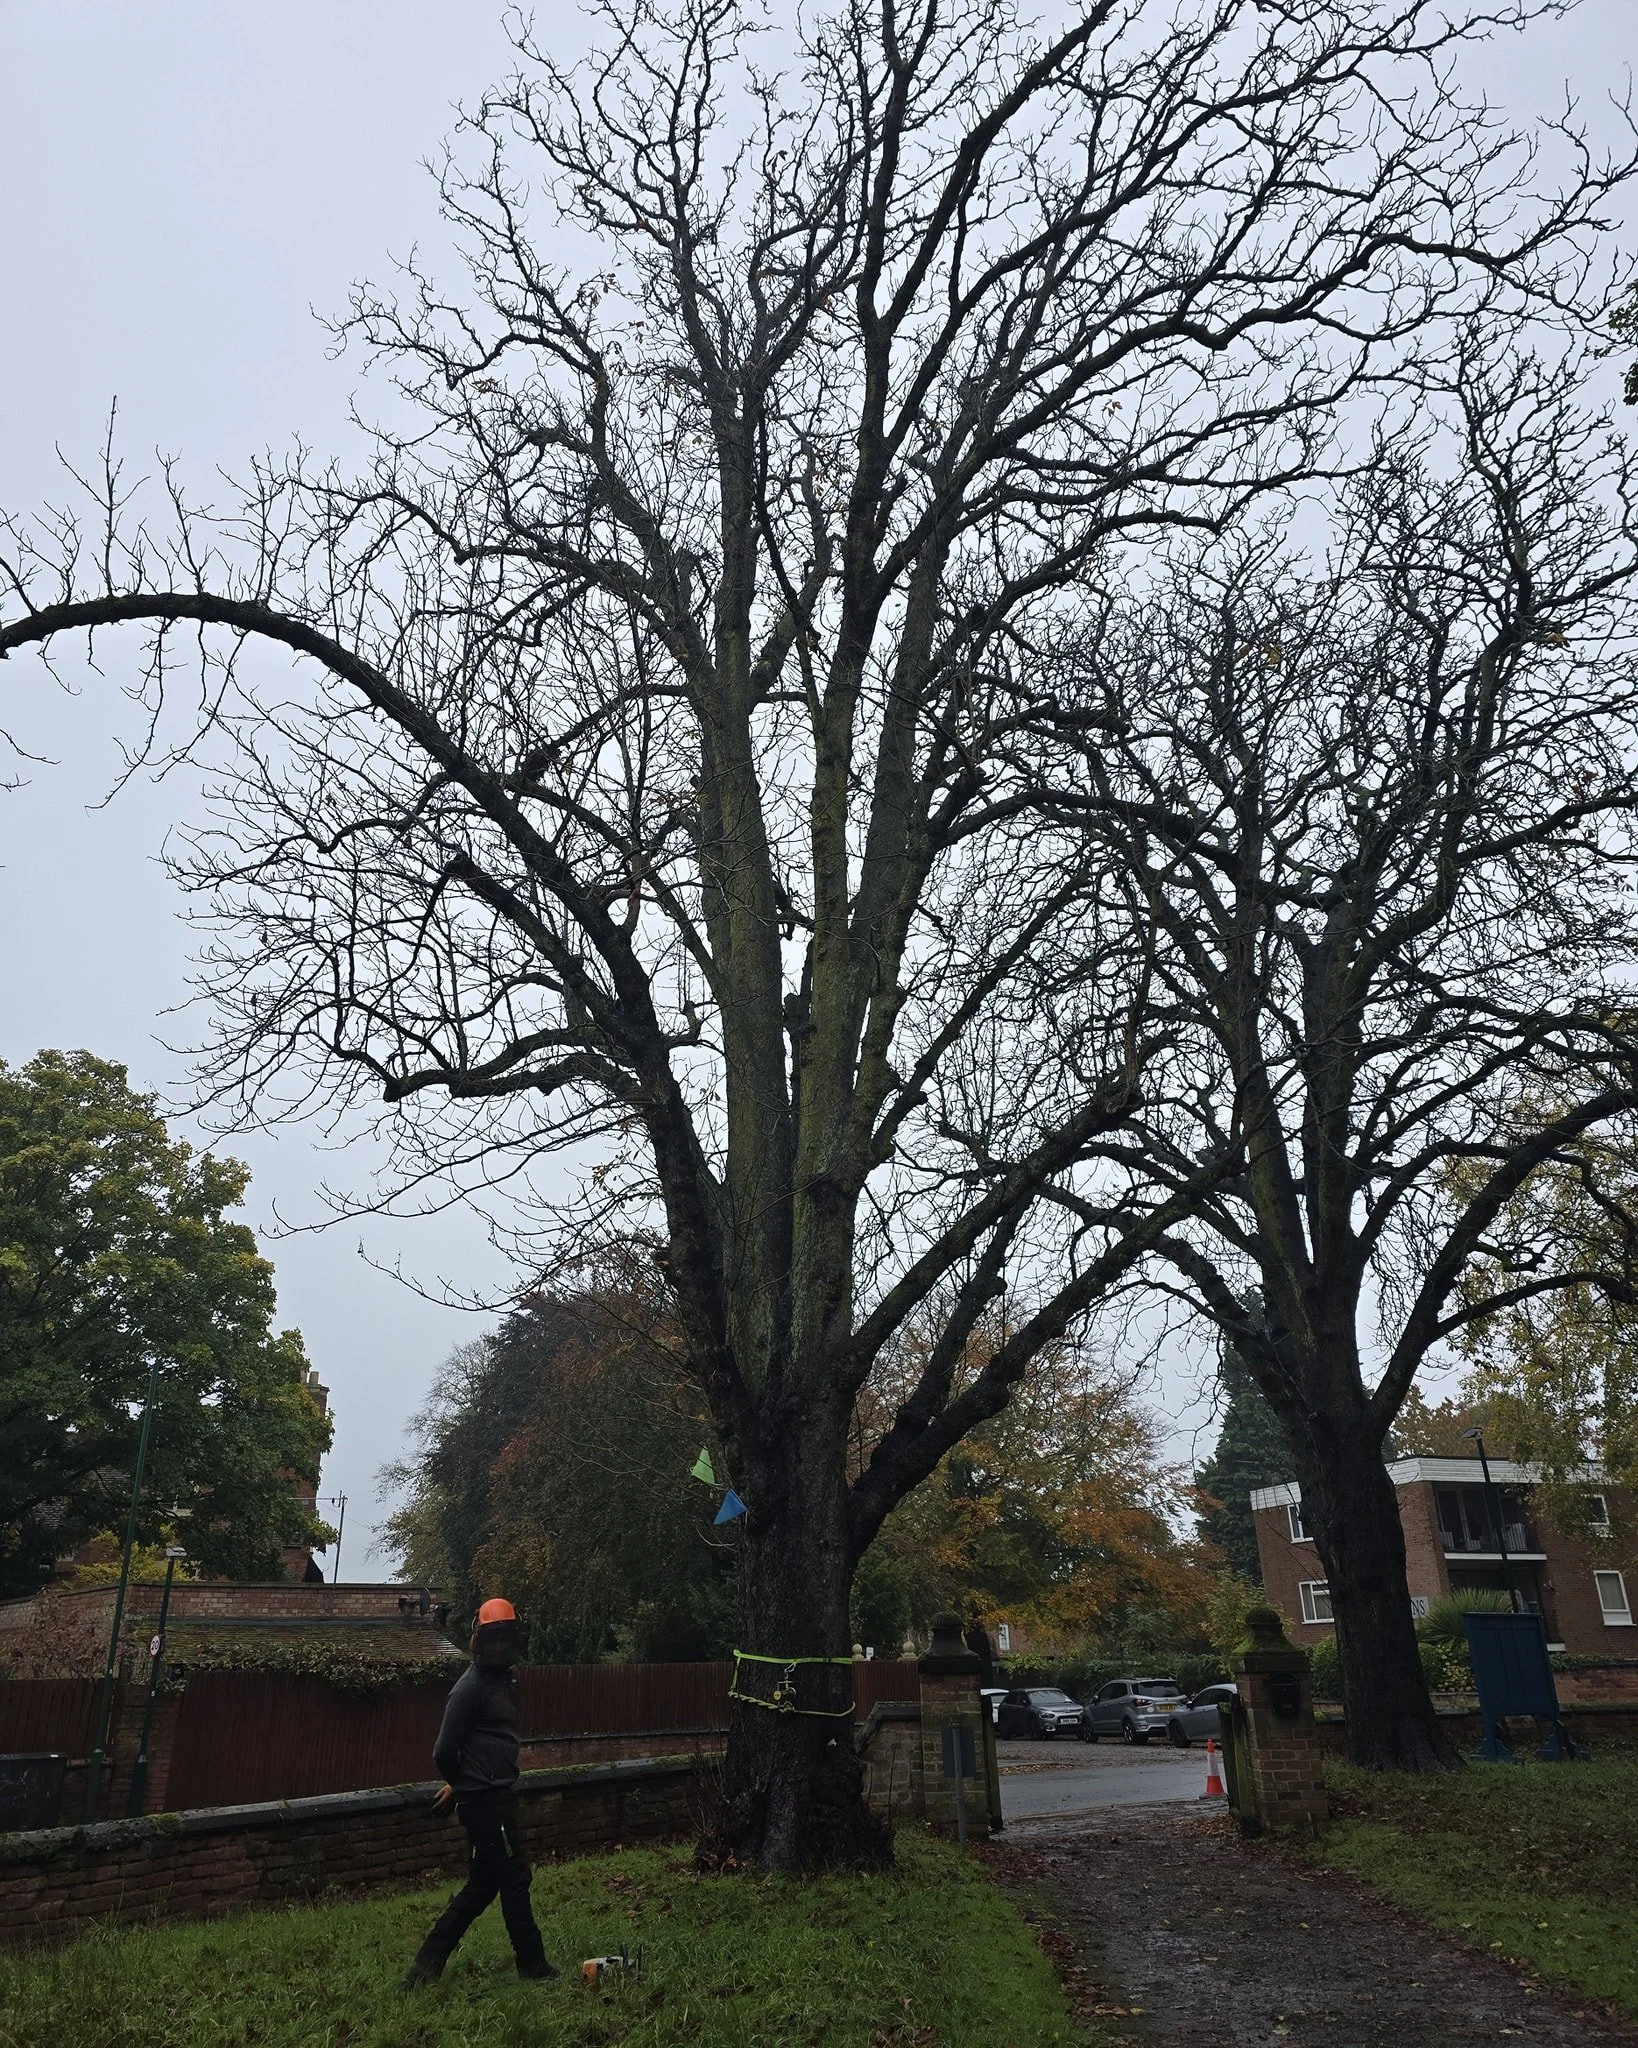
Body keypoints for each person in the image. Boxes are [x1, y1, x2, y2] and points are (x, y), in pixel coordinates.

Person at [404, 1597, 555, 1987]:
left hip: (494, 1797)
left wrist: (461, 1784)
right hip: (485, 1803)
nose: (499, 1647)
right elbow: (443, 1751)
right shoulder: (468, 1689)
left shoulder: (504, 1680)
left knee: (484, 1884)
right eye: (493, 1640)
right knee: (515, 1878)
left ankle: (424, 1968)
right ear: (477, 1641)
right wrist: (463, 1785)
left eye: (506, 1640)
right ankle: (534, 1967)